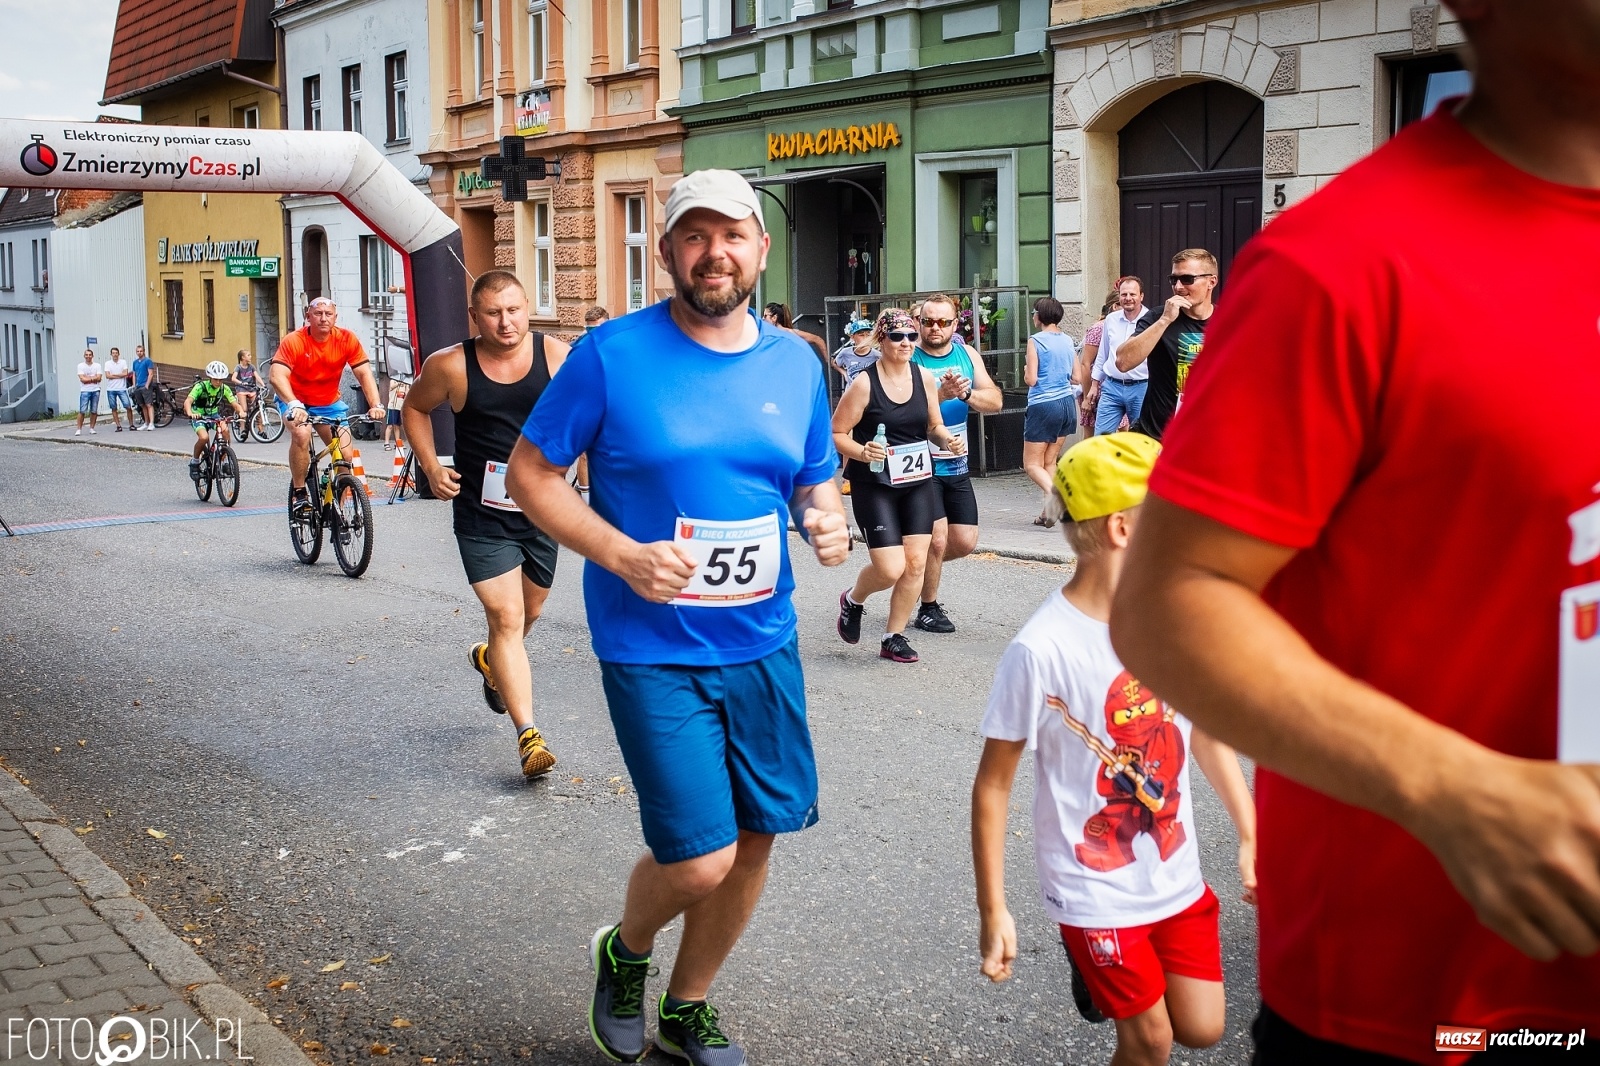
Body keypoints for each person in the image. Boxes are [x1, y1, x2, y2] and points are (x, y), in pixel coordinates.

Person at [1109, 2, 1600, 1061]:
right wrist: (1452, 789)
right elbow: (1167, 599)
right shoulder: (1336, 262)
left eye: (1191, 280)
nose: (1188, 289)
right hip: (1430, 1008)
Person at [505, 169, 850, 1066]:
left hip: (763, 641)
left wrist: (826, 511)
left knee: (760, 835)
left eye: (731, 234)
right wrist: (620, 553)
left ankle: (688, 1007)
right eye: (694, 236)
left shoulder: (795, 363)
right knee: (700, 857)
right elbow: (530, 475)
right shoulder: (610, 356)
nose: (714, 253)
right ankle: (625, 951)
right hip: (652, 647)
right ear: (665, 253)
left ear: (760, 250)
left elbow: (811, 473)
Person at [973, 432, 1256, 1066]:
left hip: (1173, 873)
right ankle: (1096, 957)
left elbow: (1203, 729)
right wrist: (994, 909)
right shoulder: (1041, 649)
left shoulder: (1177, 617)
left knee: (1203, 1028)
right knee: (1150, 1040)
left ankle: (1103, 981)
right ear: (1127, 529)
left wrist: (1249, 829)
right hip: (1093, 883)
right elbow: (993, 784)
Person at [401, 271, 567, 779]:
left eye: (514, 310)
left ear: (527, 309)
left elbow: (593, 414)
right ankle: (528, 736)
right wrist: (430, 466)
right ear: (475, 318)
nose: (506, 322)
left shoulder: (557, 357)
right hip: (480, 513)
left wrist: (580, 463)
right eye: (493, 313)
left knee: (530, 612)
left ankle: (494, 663)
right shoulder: (451, 365)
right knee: (507, 618)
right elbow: (414, 408)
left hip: (541, 510)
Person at [833, 308, 965, 664]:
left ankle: (894, 636)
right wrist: (862, 451)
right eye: (897, 337)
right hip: (874, 483)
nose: (906, 343)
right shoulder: (864, 383)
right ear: (882, 339)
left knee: (916, 564)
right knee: (889, 568)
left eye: (911, 336)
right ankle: (853, 600)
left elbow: (933, 426)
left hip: (917, 480)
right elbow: (836, 433)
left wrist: (947, 440)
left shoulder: (923, 377)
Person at [910, 293, 1002, 634]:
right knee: (936, 539)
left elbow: (994, 400)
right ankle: (928, 607)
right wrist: (940, 394)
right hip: (920, 461)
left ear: (955, 324)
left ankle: (913, 570)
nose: (935, 328)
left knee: (963, 541)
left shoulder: (967, 355)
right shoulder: (909, 356)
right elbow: (895, 404)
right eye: (929, 321)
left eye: (943, 322)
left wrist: (964, 395)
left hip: (956, 462)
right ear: (919, 322)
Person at [269, 298, 385, 517]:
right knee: (302, 434)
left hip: (328, 403)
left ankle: (337, 509)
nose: (323, 318)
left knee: (345, 457)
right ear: (308, 316)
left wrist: (375, 404)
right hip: (296, 400)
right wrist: (294, 403)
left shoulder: (346, 339)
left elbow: (363, 373)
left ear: (335, 317)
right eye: (318, 313)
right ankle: (300, 491)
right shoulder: (295, 340)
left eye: (328, 314)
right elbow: (277, 375)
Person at [1113, 253, 1214, 441]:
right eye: (1173, 279)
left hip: (1205, 440)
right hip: (1158, 439)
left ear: (1211, 282)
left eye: (1187, 279)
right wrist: (1165, 320)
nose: (1178, 287)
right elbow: (1122, 361)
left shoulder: (1228, 321)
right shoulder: (1157, 317)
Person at [1021, 297, 1079, 528]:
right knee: (1050, 461)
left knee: (1031, 465)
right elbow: (1077, 377)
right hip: (1067, 404)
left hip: (1044, 405)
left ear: (1039, 316)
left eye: (1034, 312)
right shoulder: (1067, 340)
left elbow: (1032, 379)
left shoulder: (1035, 341)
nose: (1033, 316)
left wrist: (1026, 370)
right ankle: (1049, 513)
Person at [1093, 278, 1150, 436]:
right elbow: (1103, 354)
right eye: (1124, 294)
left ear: (1141, 296)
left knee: (1141, 437)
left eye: (1133, 294)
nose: (1128, 298)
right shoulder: (1111, 320)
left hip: (1141, 387)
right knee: (1101, 437)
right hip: (1112, 387)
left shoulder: (1151, 320)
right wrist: (1094, 383)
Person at [183, 361, 246, 481]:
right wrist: (191, 413)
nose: (218, 382)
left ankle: (224, 459)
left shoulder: (224, 388)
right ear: (210, 378)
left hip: (214, 415)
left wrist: (241, 412)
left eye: (221, 379)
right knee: (204, 438)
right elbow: (188, 401)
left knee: (225, 430)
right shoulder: (200, 387)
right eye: (216, 379)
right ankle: (195, 462)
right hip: (199, 416)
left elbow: (235, 404)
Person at [1075, 292, 1120, 441]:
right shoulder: (1099, 328)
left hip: (1118, 389)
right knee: (1093, 439)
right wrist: (1088, 398)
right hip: (1097, 392)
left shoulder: (1123, 326)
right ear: (1115, 306)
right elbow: (1085, 364)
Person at [762, 301, 829, 368]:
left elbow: (816, 339)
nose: (763, 319)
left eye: (765, 316)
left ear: (774, 318)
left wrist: (828, 360)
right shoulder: (767, 334)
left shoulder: (790, 333)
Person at [831, 317, 878, 385]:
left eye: (868, 335)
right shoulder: (845, 353)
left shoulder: (877, 355)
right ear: (852, 337)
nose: (865, 338)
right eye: (861, 335)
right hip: (851, 392)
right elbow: (834, 363)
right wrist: (844, 373)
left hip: (870, 392)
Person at [102, 347, 133, 432]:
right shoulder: (108, 363)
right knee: (114, 408)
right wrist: (120, 375)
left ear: (118, 354)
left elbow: (125, 374)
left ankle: (131, 424)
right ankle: (118, 426)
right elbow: (107, 376)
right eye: (113, 353)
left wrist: (114, 375)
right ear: (111, 354)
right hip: (111, 389)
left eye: (116, 353)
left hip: (121, 388)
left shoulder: (123, 362)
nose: (115, 354)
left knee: (128, 406)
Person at [74, 350, 102, 435]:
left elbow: (99, 378)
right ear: (84, 356)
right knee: (82, 410)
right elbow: (82, 379)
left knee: (94, 410)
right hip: (85, 390)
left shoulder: (97, 365)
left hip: (95, 389)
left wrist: (88, 378)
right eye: (86, 355)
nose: (88, 356)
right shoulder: (80, 366)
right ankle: (79, 429)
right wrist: (93, 378)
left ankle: (92, 428)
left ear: (92, 356)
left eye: (90, 355)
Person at [131, 344, 157, 431]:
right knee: (142, 405)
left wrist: (147, 384)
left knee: (149, 404)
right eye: (138, 351)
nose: (139, 353)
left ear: (144, 351)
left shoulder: (148, 361)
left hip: (145, 386)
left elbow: (151, 373)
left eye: (141, 351)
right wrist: (134, 385)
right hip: (138, 386)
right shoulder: (135, 362)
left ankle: (151, 423)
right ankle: (146, 422)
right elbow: (134, 374)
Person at [383, 378, 408, 451]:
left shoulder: (405, 383)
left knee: (397, 426)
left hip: (400, 407)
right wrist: (399, 382)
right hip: (392, 406)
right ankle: (386, 442)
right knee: (390, 425)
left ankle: (397, 442)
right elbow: (391, 387)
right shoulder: (393, 381)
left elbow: (407, 392)